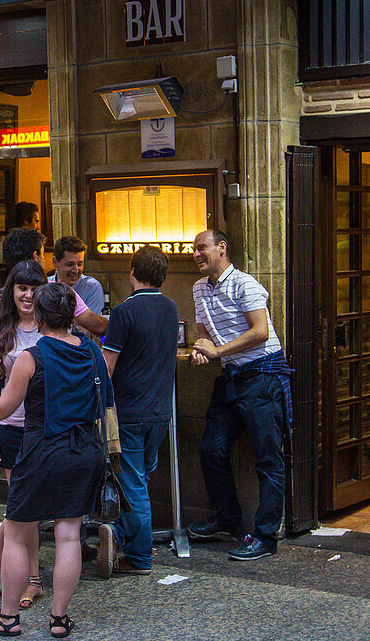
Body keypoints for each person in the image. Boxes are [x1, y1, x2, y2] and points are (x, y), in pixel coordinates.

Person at [0, 282, 112, 638]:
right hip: (85, 451)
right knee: (68, 534)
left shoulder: (31, 358)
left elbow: (2, 410)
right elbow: (105, 398)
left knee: (17, 533)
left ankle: (6, 618)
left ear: (40, 314)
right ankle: (60, 619)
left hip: (42, 450)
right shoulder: (92, 352)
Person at [188, 229, 291, 561]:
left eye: (202, 248)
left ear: (221, 248)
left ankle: (265, 537)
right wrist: (202, 350)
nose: (196, 254)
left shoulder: (244, 283)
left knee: (268, 459)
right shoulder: (198, 288)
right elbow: (205, 336)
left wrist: (217, 350)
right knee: (211, 449)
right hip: (231, 376)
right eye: (194, 250)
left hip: (263, 376)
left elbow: (260, 332)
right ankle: (227, 519)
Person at [97, 246, 179, 578]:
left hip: (129, 411)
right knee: (141, 479)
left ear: (132, 272)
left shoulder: (123, 312)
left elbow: (107, 367)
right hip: (160, 411)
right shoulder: (171, 308)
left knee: (132, 485)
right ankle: (124, 540)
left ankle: (139, 555)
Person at [0, 260, 47, 606]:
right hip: (9, 429)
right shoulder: (1, 330)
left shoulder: (51, 327)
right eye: (22, 288)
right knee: (23, 508)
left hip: (42, 431)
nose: (28, 295)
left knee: (24, 508)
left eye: (35, 289)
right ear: (12, 291)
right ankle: (31, 579)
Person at [0, 228, 106, 358]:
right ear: (35, 256)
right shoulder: (58, 291)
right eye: (43, 254)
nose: (44, 260)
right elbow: (98, 326)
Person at [47, 236, 105, 314]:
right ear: (55, 262)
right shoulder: (45, 285)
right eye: (70, 264)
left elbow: (90, 324)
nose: (75, 270)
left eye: (79, 264)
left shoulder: (92, 287)